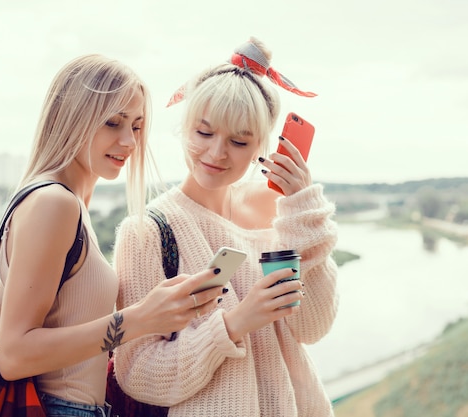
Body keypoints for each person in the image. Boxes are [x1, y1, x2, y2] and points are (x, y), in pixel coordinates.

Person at [0, 54, 225, 417]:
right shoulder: (54, 203)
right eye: (113, 123)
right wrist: (141, 319)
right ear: (72, 118)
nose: (129, 141)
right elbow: (14, 355)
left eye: (138, 126)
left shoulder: (67, 201)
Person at [112, 37, 339, 416]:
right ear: (184, 129)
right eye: (204, 133)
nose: (217, 153)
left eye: (238, 140)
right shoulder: (148, 232)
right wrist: (233, 324)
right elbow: (137, 373)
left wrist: (303, 208)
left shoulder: (280, 211)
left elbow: (313, 328)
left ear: (261, 145)